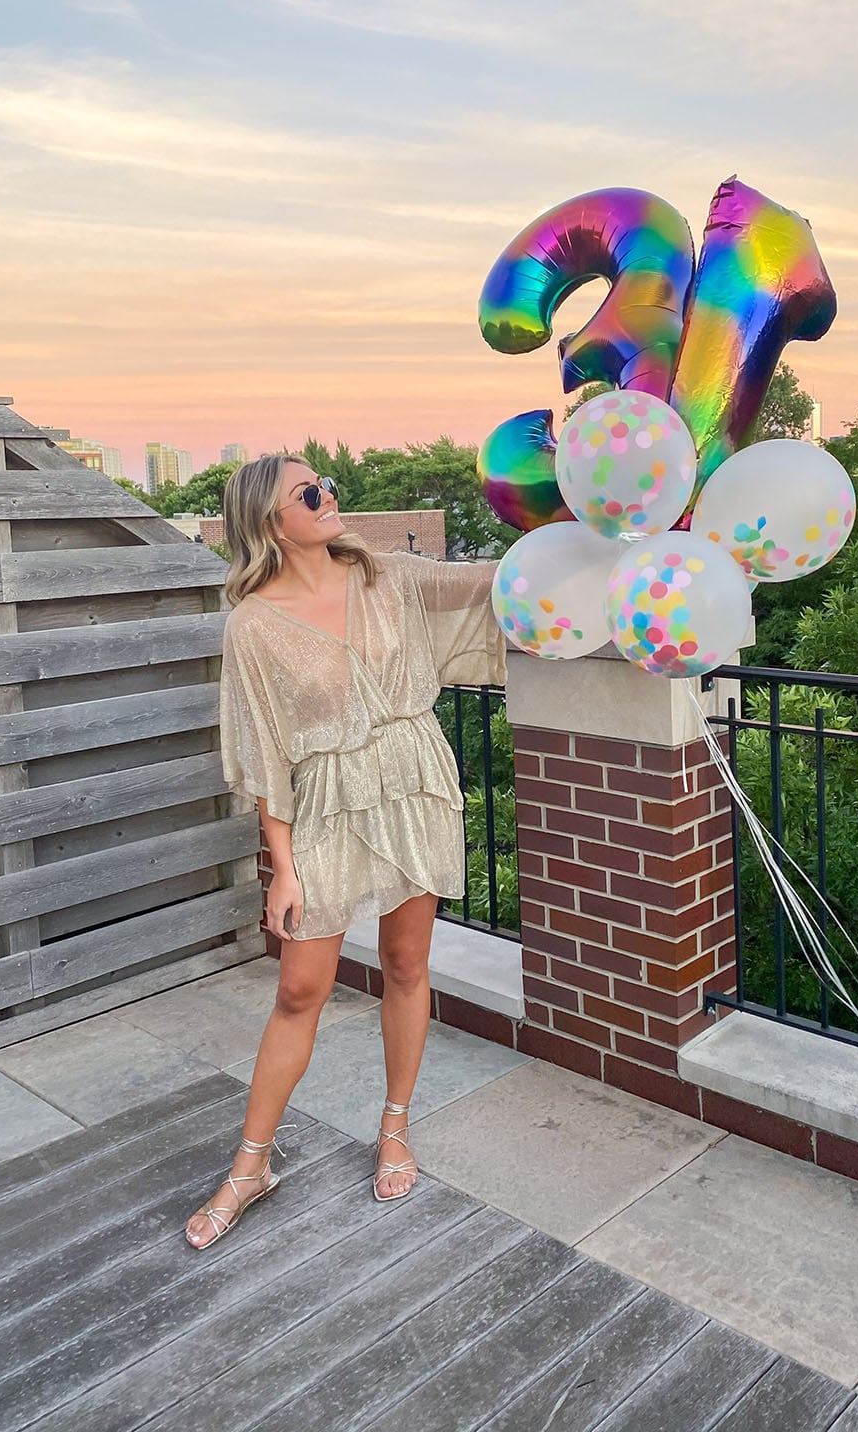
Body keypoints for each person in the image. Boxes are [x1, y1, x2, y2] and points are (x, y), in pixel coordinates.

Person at [185, 454, 506, 1247]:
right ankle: (249, 1166)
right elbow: (265, 753)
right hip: (327, 802)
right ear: (269, 520)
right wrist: (282, 866)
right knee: (301, 986)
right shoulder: (253, 624)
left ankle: (395, 1125)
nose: (329, 496)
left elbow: (490, 586)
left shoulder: (386, 575)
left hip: (415, 780)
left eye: (326, 483)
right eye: (309, 491)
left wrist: (583, 553)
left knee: (406, 963)